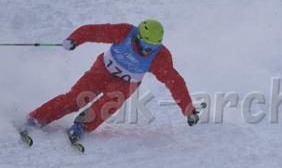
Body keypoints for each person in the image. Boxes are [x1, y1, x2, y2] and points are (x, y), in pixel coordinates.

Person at [22, 20, 199, 144]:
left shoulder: (160, 57)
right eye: (146, 45)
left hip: (126, 83)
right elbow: (94, 31)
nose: (148, 50)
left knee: (111, 102)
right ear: (138, 36)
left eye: (153, 47)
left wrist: (188, 109)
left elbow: (175, 82)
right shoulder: (125, 32)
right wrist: (74, 39)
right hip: (103, 70)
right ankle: (37, 118)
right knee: (77, 98)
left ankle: (82, 126)